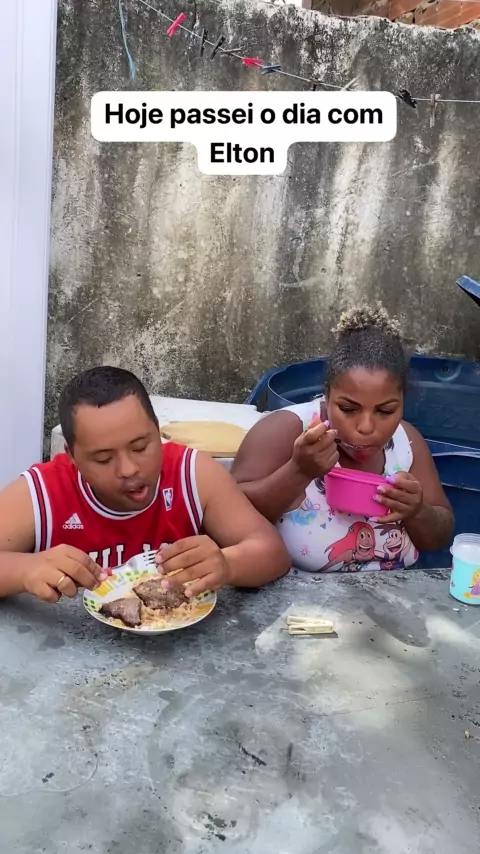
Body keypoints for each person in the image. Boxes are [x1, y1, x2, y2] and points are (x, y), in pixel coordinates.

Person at [0, 367, 290, 602]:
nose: (129, 469)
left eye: (140, 447)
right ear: (72, 456)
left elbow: (272, 551)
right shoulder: (44, 492)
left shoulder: (192, 474)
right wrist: (25, 570)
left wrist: (227, 565)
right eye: (103, 459)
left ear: (157, 430)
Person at [232, 306, 454, 573]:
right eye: (348, 409)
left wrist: (418, 511)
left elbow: (439, 537)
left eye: (385, 411)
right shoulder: (286, 430)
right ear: (327, 395)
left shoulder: (406, 443)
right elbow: (226, 518)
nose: (366, 427)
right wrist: (299, 471)